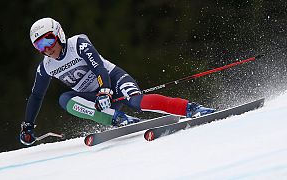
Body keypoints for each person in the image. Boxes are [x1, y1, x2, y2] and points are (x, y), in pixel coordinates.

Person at [20, 17, 215, 146]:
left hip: (113, 81)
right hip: (95, 98)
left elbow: (99, 68)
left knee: (137, 102)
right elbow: (37, 96)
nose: (46, 49)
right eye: (39, 45)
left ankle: (190, 108)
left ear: (59, 34)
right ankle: (117, 118)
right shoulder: (46, 66)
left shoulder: (78, 44)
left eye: (48, 41)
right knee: (65, 99)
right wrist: (28, 126)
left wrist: (105, 89)